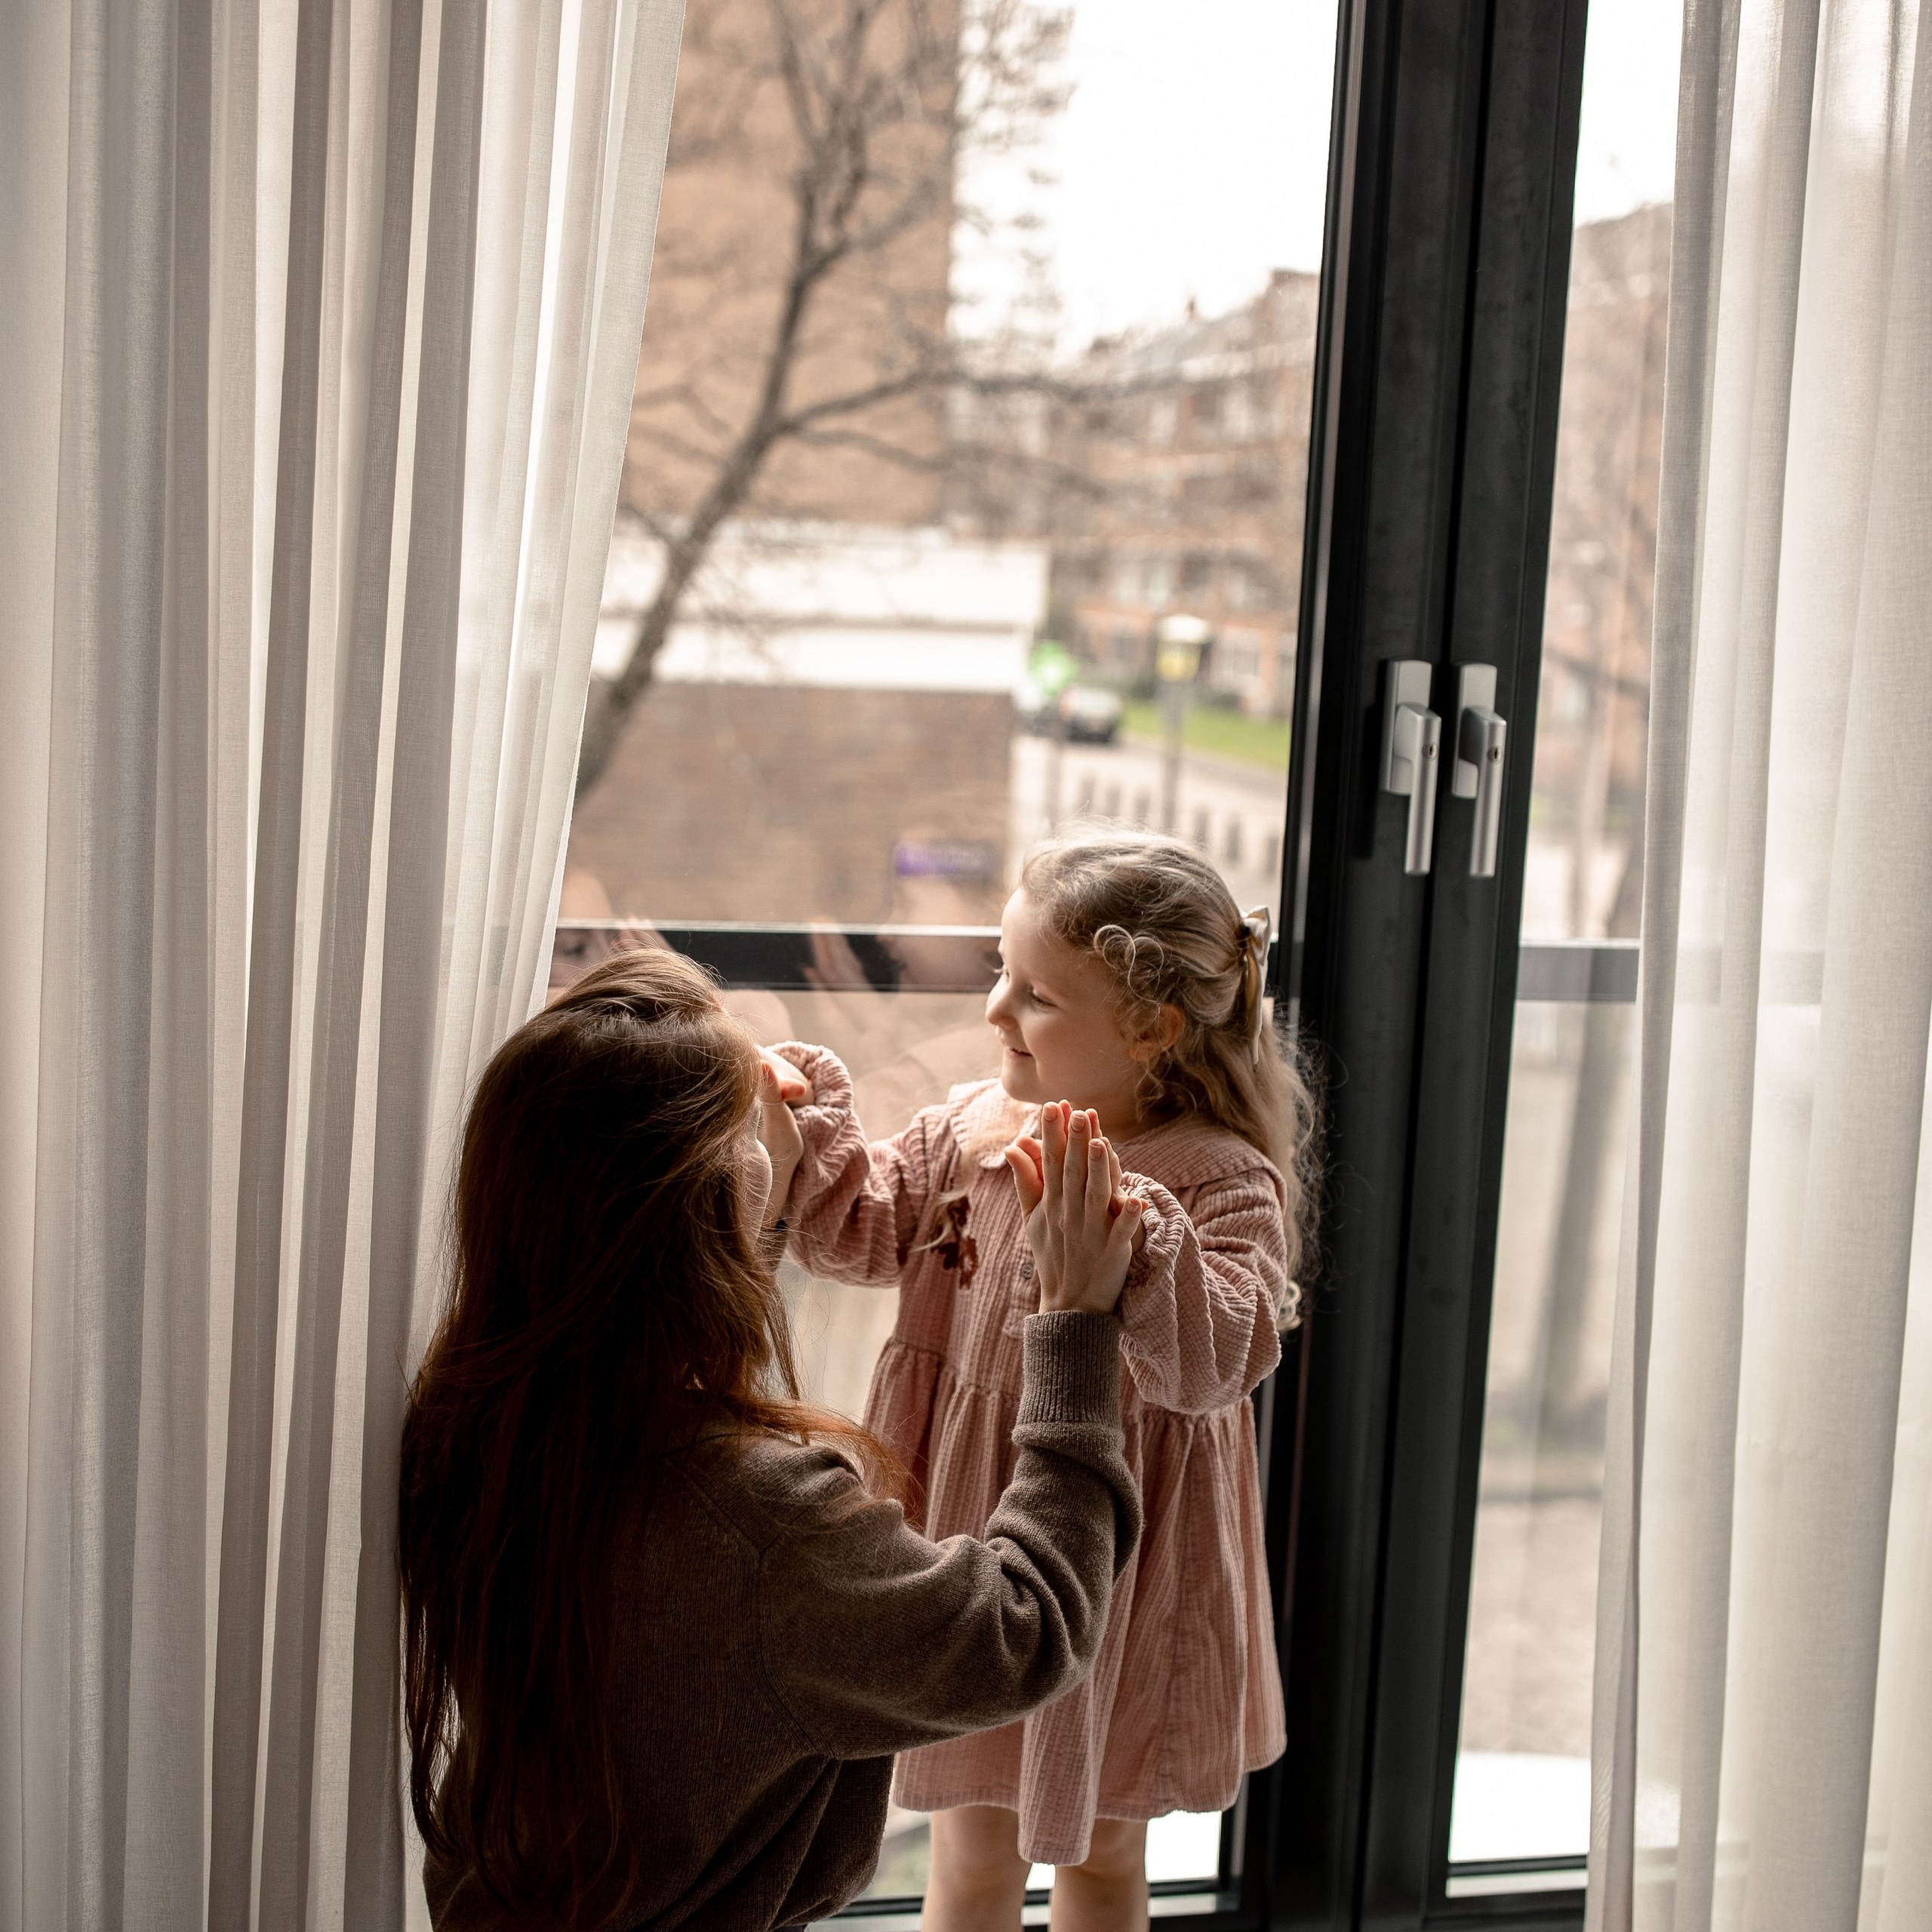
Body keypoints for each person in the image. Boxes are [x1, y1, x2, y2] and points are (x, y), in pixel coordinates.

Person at [398, 948, 1143, 1931]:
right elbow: (1025, 1629)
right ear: (700, 1208)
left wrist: (754, 1198)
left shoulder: (474, 1424)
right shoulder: (768, 1527)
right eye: (746, 1128)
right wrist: (1075, 1326)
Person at [768, 832, 1316, 1932]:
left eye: (1037, 995)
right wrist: (795, 1113)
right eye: (999, 973)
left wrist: (1131, 1242)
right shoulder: (976, 1129)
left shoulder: (1220, 1181)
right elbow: (857, 1229)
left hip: (1124, 1560)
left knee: (1105, 1852)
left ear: (1152, 1029)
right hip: (969, 1535)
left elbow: (1219, 1363)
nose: (995, 1011)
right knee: (969, 1844)